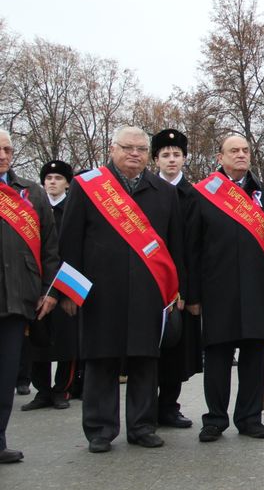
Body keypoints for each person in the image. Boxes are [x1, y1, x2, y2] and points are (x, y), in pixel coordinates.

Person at [58, 126, 184, 453]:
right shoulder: (89, 187)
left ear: (148, 155)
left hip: (148, 291)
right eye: (127, 148)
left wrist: (175, 291)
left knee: (145, 360)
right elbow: (69, 241)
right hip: (100, 290)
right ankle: (100, 429)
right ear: (113, 149)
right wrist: (68, 292)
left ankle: (142, 426)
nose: (134, 154)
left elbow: (174, 247)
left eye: (141, 149)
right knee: (102, 359)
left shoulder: (163, 192)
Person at [187, 134, 264, 442]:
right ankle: (215, 418)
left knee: (254, 358)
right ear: (220, 157)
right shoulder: (202, 193)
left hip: (258, 291)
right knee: (217, 357)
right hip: (217, 290)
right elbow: (192, 248)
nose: (241, 155)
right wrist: (193, 295)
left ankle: (249, 418)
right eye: (234, 151)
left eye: (245, 150)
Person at [0, 129, 60, 463]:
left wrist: (49, 291)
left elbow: (51, 248)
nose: (3, 155)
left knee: (6, 375)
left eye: (7, 148)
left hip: (18, 298)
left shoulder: (30, 193)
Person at [151, 129, 202, 428]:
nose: (172, 160)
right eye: (165, 155)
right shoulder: (145, 191)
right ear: (155, 159)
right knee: (148, 351)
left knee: (176, 349)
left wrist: (189, 291)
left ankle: (169, 405)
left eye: (177, 155)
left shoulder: (193, 195)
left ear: (184, 158)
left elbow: (195, 247)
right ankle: (145, 407)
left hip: (180, 286)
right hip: (150, 281)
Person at [21, 160, 77, 412]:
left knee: (67, 340)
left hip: (65, 285)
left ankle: (61, 389)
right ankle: (42, 391)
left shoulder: (73, 208)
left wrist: (69, 292)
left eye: (57, 178)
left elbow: (76, 252)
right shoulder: (34, 208)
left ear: (67, 182)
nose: (52, 182)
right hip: (40, 284)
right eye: (48, 178)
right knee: (39, 339)